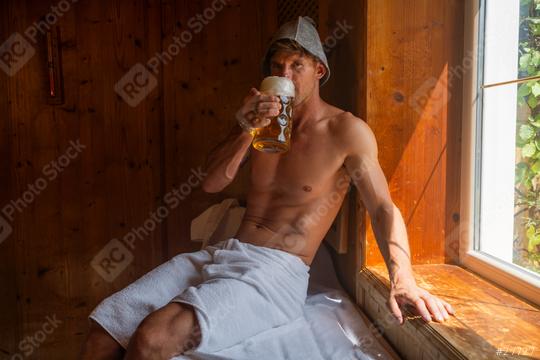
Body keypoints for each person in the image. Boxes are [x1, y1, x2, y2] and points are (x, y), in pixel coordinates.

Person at [81, 16, 455, 360]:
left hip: (278, 271)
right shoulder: (257, 125)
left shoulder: (345, 131)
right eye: (277, 67)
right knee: (104, 332)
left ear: (319, 71)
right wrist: (245, 127)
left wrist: (402, 279)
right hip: (226, 253)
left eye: (297, 65)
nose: (285, 74)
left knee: (152, 338)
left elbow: (383, 207)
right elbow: (213, 183)